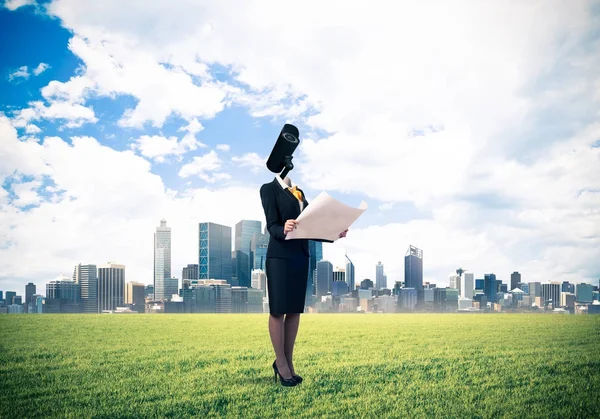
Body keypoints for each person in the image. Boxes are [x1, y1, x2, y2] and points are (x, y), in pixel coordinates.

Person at [260, 173, 348, 387]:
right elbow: (271, 225)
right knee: (278, 310)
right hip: (280, 256)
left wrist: (335, 234)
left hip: (300, 257)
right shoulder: (268, 189)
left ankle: (289, 363)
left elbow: (311, 227)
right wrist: (284, 227)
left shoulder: (300, 193)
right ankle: (280, 363)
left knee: (294, 311)